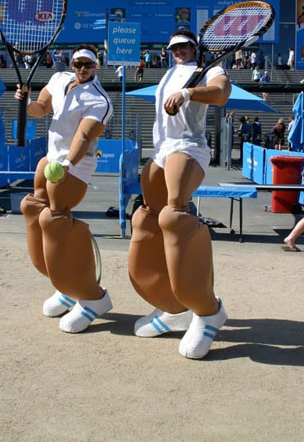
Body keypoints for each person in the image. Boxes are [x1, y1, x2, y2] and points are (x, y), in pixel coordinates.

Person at [128, 28, 231, 360]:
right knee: (147, 216)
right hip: (162, 150)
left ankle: (208, 310)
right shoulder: (169, 73)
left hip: (189, 147)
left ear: (194, 48)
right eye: (175, 47)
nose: (180, 51)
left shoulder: (210, 70)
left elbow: (221, 94)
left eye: (185, 46)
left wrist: (188, 94)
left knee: (174, 216)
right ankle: (174, 307)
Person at [15, 44, 114, 334]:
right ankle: (67, 287)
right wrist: (26, 100)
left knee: (54, 220)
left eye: (88, 64)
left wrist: (68, 164)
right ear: (71, 63)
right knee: (32, 208)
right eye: (78, 63)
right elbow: (40, 109)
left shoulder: (100, 100)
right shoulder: (58, 79)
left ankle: (94, 297)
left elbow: (83, 136)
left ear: (96, 66)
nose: (82, 68)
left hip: (75, 166)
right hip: (53, 159)